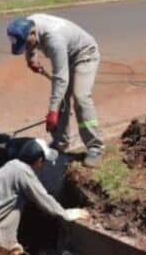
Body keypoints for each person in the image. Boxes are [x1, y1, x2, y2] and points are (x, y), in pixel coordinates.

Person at [6, 14, 104, 168]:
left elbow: (60, 78)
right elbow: (30, 44)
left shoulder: (54, 40)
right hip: (66, 54)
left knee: (80, 97)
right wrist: (31, 58)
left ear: (33, 33)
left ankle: (95, 147)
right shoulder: (29, 24)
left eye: (26, 43)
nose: (26, 46)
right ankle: (60, 143)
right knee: (61, 99)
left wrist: (52, 112)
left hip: (84, 55)